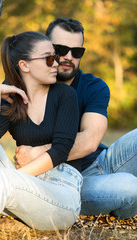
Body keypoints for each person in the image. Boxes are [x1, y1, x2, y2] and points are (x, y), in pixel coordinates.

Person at [14, 17, 137, 220]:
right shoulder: (25, 83)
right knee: (130, 187)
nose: (68, 57)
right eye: (61, 49)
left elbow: (90, 141)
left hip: (102, 161)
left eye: (76, 52)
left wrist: (38, 153)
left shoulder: (93, 86)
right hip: (64, 180)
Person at [0, 31, 83, 231]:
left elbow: (61, 150)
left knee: (3, 178)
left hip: (61, 192)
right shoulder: (13, 99)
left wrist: (15, 178)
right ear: (24, 65)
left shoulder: (65, 95)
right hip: (24, 187)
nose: (56, 64)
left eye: (56, 58)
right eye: (49, 59)